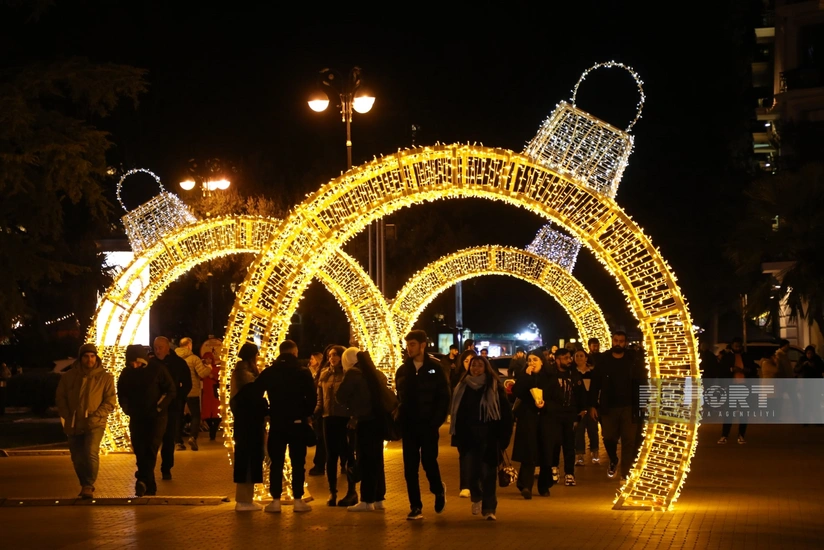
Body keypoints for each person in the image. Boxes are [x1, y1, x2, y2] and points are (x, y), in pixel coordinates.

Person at [252, 340, 316, 513]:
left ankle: (275, 500)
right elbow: (312, 397)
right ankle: (297, 499)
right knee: (297, 462)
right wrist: (305, 413)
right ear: (295, 352)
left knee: (276, 462)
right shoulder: (302, 372)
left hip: (277, 423)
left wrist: (267, 410)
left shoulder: (270, 372)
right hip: (297, 423)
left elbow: (256, 392)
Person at [396, 329, 451, 520]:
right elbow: (399, 397)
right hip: (409, 425)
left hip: (428, 425)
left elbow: (444, 399)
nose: (409, 348)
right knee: (410, 467)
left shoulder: (435, 368)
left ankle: (438, 490)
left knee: (428, 462)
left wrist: (435, 422)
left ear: (422, 345)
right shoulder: (403, 370)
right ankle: (415, 506)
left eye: (412, 344)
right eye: (407, 344)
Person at [449, 355, 512, 521]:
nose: (475, 369)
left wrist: (504, 438)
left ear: (486, 368)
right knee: (471, 473)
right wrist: (457, 437)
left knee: (488, 473)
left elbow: (506, 415)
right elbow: (457, 414)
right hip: (468, 438)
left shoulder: (494, 388)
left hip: (489, 437)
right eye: (473, 365)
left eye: (479, 366)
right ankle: (476, 496)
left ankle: (489, 508)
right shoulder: (462, 387)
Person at [55, 343, 116, 499]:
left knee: (90, 452)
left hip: (95, 422)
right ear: (81, 358)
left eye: (92, 356)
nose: (89, 359)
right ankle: (84, 483)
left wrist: (98, 414)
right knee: (77, 456)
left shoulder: (105, 377)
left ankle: (88, 484)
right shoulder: (69, 377)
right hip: (74, 422)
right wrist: (67, 414)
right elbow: (60, 397)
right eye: (86, 356)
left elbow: (110, 400)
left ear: (96, 357)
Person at [117, 344, 176, 497]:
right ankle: (147, 484)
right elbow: (121, 393)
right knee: (139, 449)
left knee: (151, 448)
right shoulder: (126, 373)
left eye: (137, 362)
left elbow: (170, 390)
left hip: (157, 417)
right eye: (132, 363)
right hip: (137, 417)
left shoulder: (157, 370)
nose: (135, 366)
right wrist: (126, 408)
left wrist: (159, 407)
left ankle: (143, 480)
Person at [336, 348, 390, 512]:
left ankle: (367, 500)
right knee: (377, 460)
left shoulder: (353, 373)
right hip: (379, 421)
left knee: (365, 459)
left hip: (364, 421)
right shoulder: (376, 373)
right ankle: (379, 497)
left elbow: (340, 397)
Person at [589, 331, 647, 480]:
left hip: (629, 406)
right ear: (612, 341)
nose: (618, 344)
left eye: (621, 341)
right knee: (608, 437)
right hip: (609, 407)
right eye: (616, 340)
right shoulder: (604, 360)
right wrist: (592, 405)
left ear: (625, 343)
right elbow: (595, 384)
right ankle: (613, 459)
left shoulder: (633, 360)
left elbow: (642, 382)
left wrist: (643, 402)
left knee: (629, 440)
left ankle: (625, 473)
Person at [315, 345, 357, 506]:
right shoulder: (324, 375)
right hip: (328, 418)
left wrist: (354, 418)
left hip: (345, 420)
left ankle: (352, 491)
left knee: (348, 456)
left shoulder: (348, 375)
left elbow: (353, 398)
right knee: (331, 457)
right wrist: (315, 414)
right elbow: (320, 399)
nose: (332, 358)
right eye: (330, 355)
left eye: (335, 355)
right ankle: (332, 492)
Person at [511, 351, 555, 498]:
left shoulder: (550, 377)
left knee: (545, 452)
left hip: (545, 418)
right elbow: (517, 391)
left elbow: (557, 398)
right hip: (528, 418)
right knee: (529, 451)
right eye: (529, 360)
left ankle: (544, 485)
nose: (532, 363)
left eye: (535, 360)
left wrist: (546, 405)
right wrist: (526, 377)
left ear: (542, 362)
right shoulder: (525, 376)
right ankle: (525, 485)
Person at [230, 343, 267, 511]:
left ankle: (246, 499)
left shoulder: (242, 373)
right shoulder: (245, 375)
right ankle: (243, 500)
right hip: (248, 423)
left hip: (246, 423)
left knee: (248, 458)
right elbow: (252, 400)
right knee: (248, 458)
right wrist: (265, 408)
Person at [154, 336, 192, 480]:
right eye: (155, 347)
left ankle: (166, 468)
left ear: (167, 348)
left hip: (172, 406)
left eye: (160, 348)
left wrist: (178, 397)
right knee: (153, 438)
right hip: (154, 406)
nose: (157, 351)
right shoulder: (152, 363)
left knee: (169, 438)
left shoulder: (178, 363)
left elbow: (187, 384)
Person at [547, 349, 586, 486]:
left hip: (570, 414)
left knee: (569, 444)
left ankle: (569, 473)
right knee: (555, 443)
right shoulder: (550, 374)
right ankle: (554, 468)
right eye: (566, 358)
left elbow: (580, 393)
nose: (570, 360)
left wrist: (581, 410)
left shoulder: (574, 374)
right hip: (553, 415)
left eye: (570, 358)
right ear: (557, 360)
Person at [717, 337, 755, 444]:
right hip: (731, 387)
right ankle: (724, 435)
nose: (737, 348)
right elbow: (721, 372)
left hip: (744, 387)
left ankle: (741, 435)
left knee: (744, 412)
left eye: (739, 346)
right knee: (729, 412)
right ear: (732, 346)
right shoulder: (727, 357)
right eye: (735, 346)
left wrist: (747, 370)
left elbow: (753, 369)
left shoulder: (746, 357)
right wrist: (731, 369)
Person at [175, 337, 211, 451]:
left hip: (178, 392)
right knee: (195, 415)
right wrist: (209, 367)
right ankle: (192, 437)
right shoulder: (193, 358)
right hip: (192, 391)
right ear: (189, 345)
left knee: (178, 416)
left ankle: (178, 442)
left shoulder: (174, 358)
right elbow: (202, 373)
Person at [573, 349, 600, 465]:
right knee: (579, 431)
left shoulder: (592, 373)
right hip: (577, 407)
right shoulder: (572, 373)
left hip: (591, 406)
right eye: (577, 356)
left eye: (581, 356)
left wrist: (594, 406)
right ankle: (579, 455)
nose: (579, 358)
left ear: (586, 358)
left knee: (593, 430)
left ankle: (595, 453)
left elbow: (595, 390)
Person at [308, 350, 328, 478]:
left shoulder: (323, 374)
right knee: (321, 438)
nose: (310, 361)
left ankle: (320, 465)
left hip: (324, 411)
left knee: (322, 439)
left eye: (313, 359)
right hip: (320, 410)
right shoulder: (312, 372)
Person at [200, 352, 222, 441]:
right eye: (207, 358)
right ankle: (212, 429)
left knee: (216, 413)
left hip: (214, 393)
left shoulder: (216, 368)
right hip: (206, 393)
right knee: (207, 414)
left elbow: (220, 378)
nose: (208, 360)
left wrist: (213, 375)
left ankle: (213, 430)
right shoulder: (202, 368)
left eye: (210, 358)